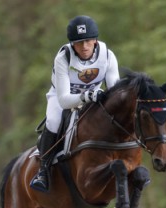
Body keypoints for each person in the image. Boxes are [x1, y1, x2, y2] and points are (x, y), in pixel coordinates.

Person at [30, 15, 120, 193]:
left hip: (94, 96)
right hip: (62, 96)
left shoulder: (108, 56)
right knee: (53, 122)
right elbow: (64, 100)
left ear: (95, 39)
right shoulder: (63, 58)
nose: (84, 47)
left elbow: (114, 90)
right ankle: (44, 171)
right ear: (72, 44)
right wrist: (87, 96)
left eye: (88, 41)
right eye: (79, 43)